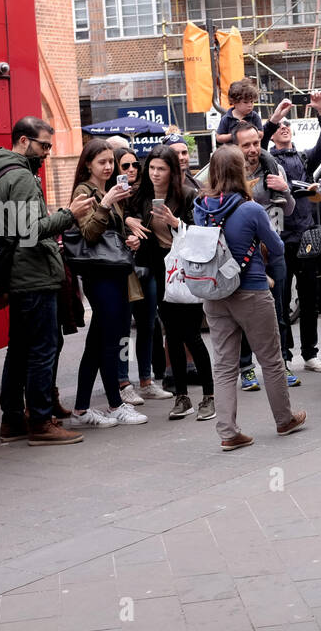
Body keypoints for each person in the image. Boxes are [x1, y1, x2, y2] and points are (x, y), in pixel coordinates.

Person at [0, 116, 94, 446]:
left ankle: (13, 420)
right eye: (44, 145)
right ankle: (41, 422)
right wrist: (69, 214)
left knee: (19, 349)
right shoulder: (22, 177)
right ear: (24, 141)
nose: (47, 153)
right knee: (42, 348)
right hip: (33, 275)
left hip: (18, 274)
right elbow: (30, 231)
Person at [195, 147, 306, 451]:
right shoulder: (251, 209)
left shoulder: (200, 208)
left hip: (215, 292)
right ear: (241, 172)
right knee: (270, 359)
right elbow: (278, 249)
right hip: (251, 289)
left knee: (224, 364)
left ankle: (228, 431)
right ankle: (284, 419)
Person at [65, 139, 147, 429]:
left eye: (111, 161)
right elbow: (88, 234)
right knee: (109, 342)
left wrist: (130, 239)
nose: (109, 167)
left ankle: (80, 410)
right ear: (88, 164)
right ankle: (115, 404)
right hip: (99, 276)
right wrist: (107, 203)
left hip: (114, 272)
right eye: (102, 162)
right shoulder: (85, 192)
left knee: (97, 343)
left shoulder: (105, 190)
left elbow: (110, 235)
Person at [130, 146, 213, 421]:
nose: (155, 173)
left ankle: (209, 397)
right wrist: (131, 228)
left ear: (172, 171)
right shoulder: (142, 196)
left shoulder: (187, 195)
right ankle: (181, 397)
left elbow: (201, 234)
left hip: (185, 270)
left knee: (191, 334)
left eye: (161, 169)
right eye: (151, 168)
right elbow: (136, 228)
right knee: (172, 336)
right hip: (160, 270)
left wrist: (175, 222)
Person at [263, 91, 321, 374]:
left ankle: (310, 353)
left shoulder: (303, 159)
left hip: (305, 238)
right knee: (280, 301)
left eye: (287, 125)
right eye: (280, 127)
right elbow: (257, 143)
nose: (284, 128)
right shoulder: (268, 159)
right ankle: (284, 353)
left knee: (308, 299)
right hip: (279, 239)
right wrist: (274, 118)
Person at [233, 119, 297, 389]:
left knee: (279, 311)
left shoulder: (274, 165)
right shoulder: (231, 172)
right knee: (247, 312)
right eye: (246, 145)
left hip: (274, 246)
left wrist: (284, 189)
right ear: (236, 147)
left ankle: (281, 363)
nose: (252, 149)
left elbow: (290, 209)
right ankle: (246, 367)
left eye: (256, 143)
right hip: (246, 252)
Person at [113, 146, 171, 406]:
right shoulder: (112, 196)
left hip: (146, 267)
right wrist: (126, 222)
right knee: (124, 329)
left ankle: (146, 380)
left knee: (148, 324)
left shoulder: (144, 194)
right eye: (125, 166)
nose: (132, 170)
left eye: (135, 164)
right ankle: (123, 381)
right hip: (123, 270)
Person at [215, 79, 264, 145]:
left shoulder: (254, 116)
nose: (250, 105)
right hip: (233, 151)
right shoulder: (227, 118)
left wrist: (249, 130)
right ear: (235, 102)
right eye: (245, 102)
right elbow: (219, 138)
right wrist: (235, 134)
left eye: (252, 102)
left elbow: (261, 134)